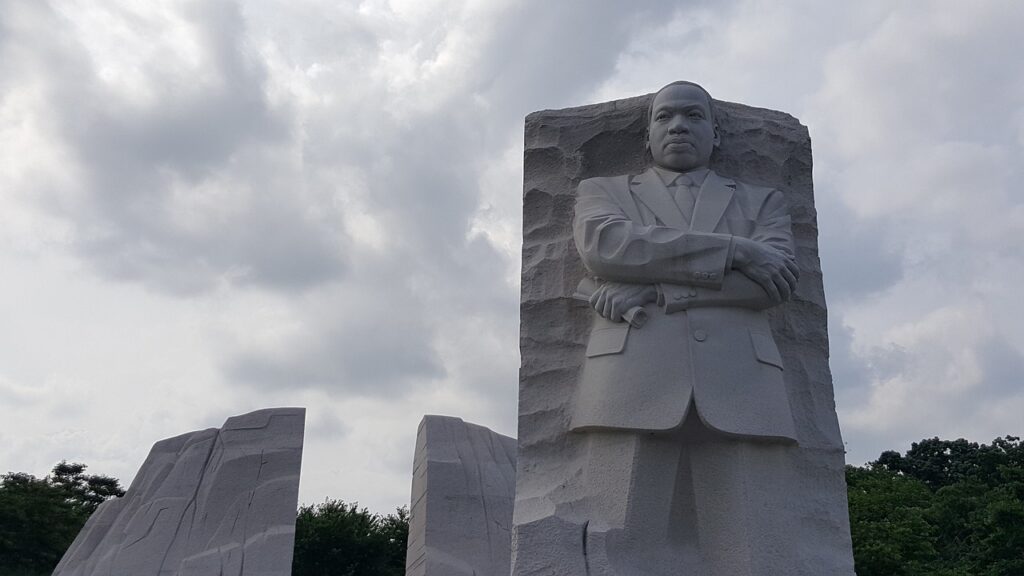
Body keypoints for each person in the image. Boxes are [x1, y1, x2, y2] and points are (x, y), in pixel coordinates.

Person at [571, 80, 801, 575]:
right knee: (617, 546)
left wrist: (657, 291)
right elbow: (607, 249)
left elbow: (774, 284)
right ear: (647, 134)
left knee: (756, 548)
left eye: (694, 116)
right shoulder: (602, 193)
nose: (678, 125)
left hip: (743, 382)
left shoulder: (762, 203)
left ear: (716, 135)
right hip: (630, 379)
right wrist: (736, 251)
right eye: (665, 116)